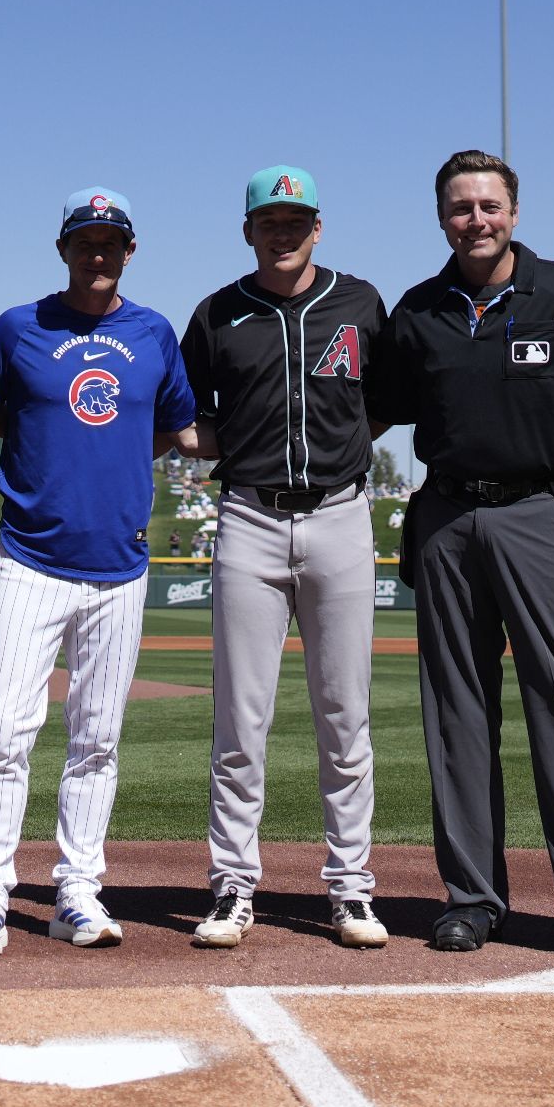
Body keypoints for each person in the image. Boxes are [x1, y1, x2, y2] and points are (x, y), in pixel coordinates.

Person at [364, 149, 554, 965]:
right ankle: (471, 898)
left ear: (515, 212)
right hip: (449, 514)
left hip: (543, 515)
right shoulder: (418, 312)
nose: (476, 220)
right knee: (456, 712)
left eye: (489, 205)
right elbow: (372, 416)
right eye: (460, 208)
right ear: (441, 217)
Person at [0, 186, 197, 956]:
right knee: (3, 731)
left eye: (112, 242)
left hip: (120, 568)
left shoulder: (154, 333)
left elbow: (172, 427)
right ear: (63, 248)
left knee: (97, 737)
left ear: (131, 251)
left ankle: (76, 891)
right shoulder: (19, 328)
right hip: (30, 558)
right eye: (86, 241)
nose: (99, 253)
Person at [178, 165, 388, 949]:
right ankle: (233, 884)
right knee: (240, 718)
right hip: (250, 518)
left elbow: (387, 400)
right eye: (270, 218)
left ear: (318, 226)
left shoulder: (361, 303)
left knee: (346, 717)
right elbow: (187, 417)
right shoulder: (219, 312)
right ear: (248, 229)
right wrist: (242, 445)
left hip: (340, 515)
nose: (283, 229)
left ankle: (351, 888)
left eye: (296, 218)